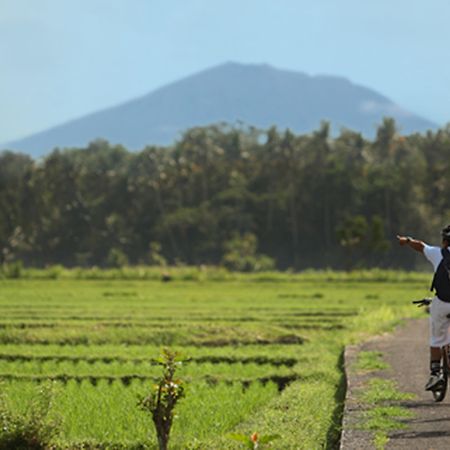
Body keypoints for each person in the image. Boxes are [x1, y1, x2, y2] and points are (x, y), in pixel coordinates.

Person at [397, 225, 450, 391]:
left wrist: (407, 241)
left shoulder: (438, 253)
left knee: (436, 339)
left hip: (442, 303)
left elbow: (420, 246)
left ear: (444, 241)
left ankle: (435, 375)